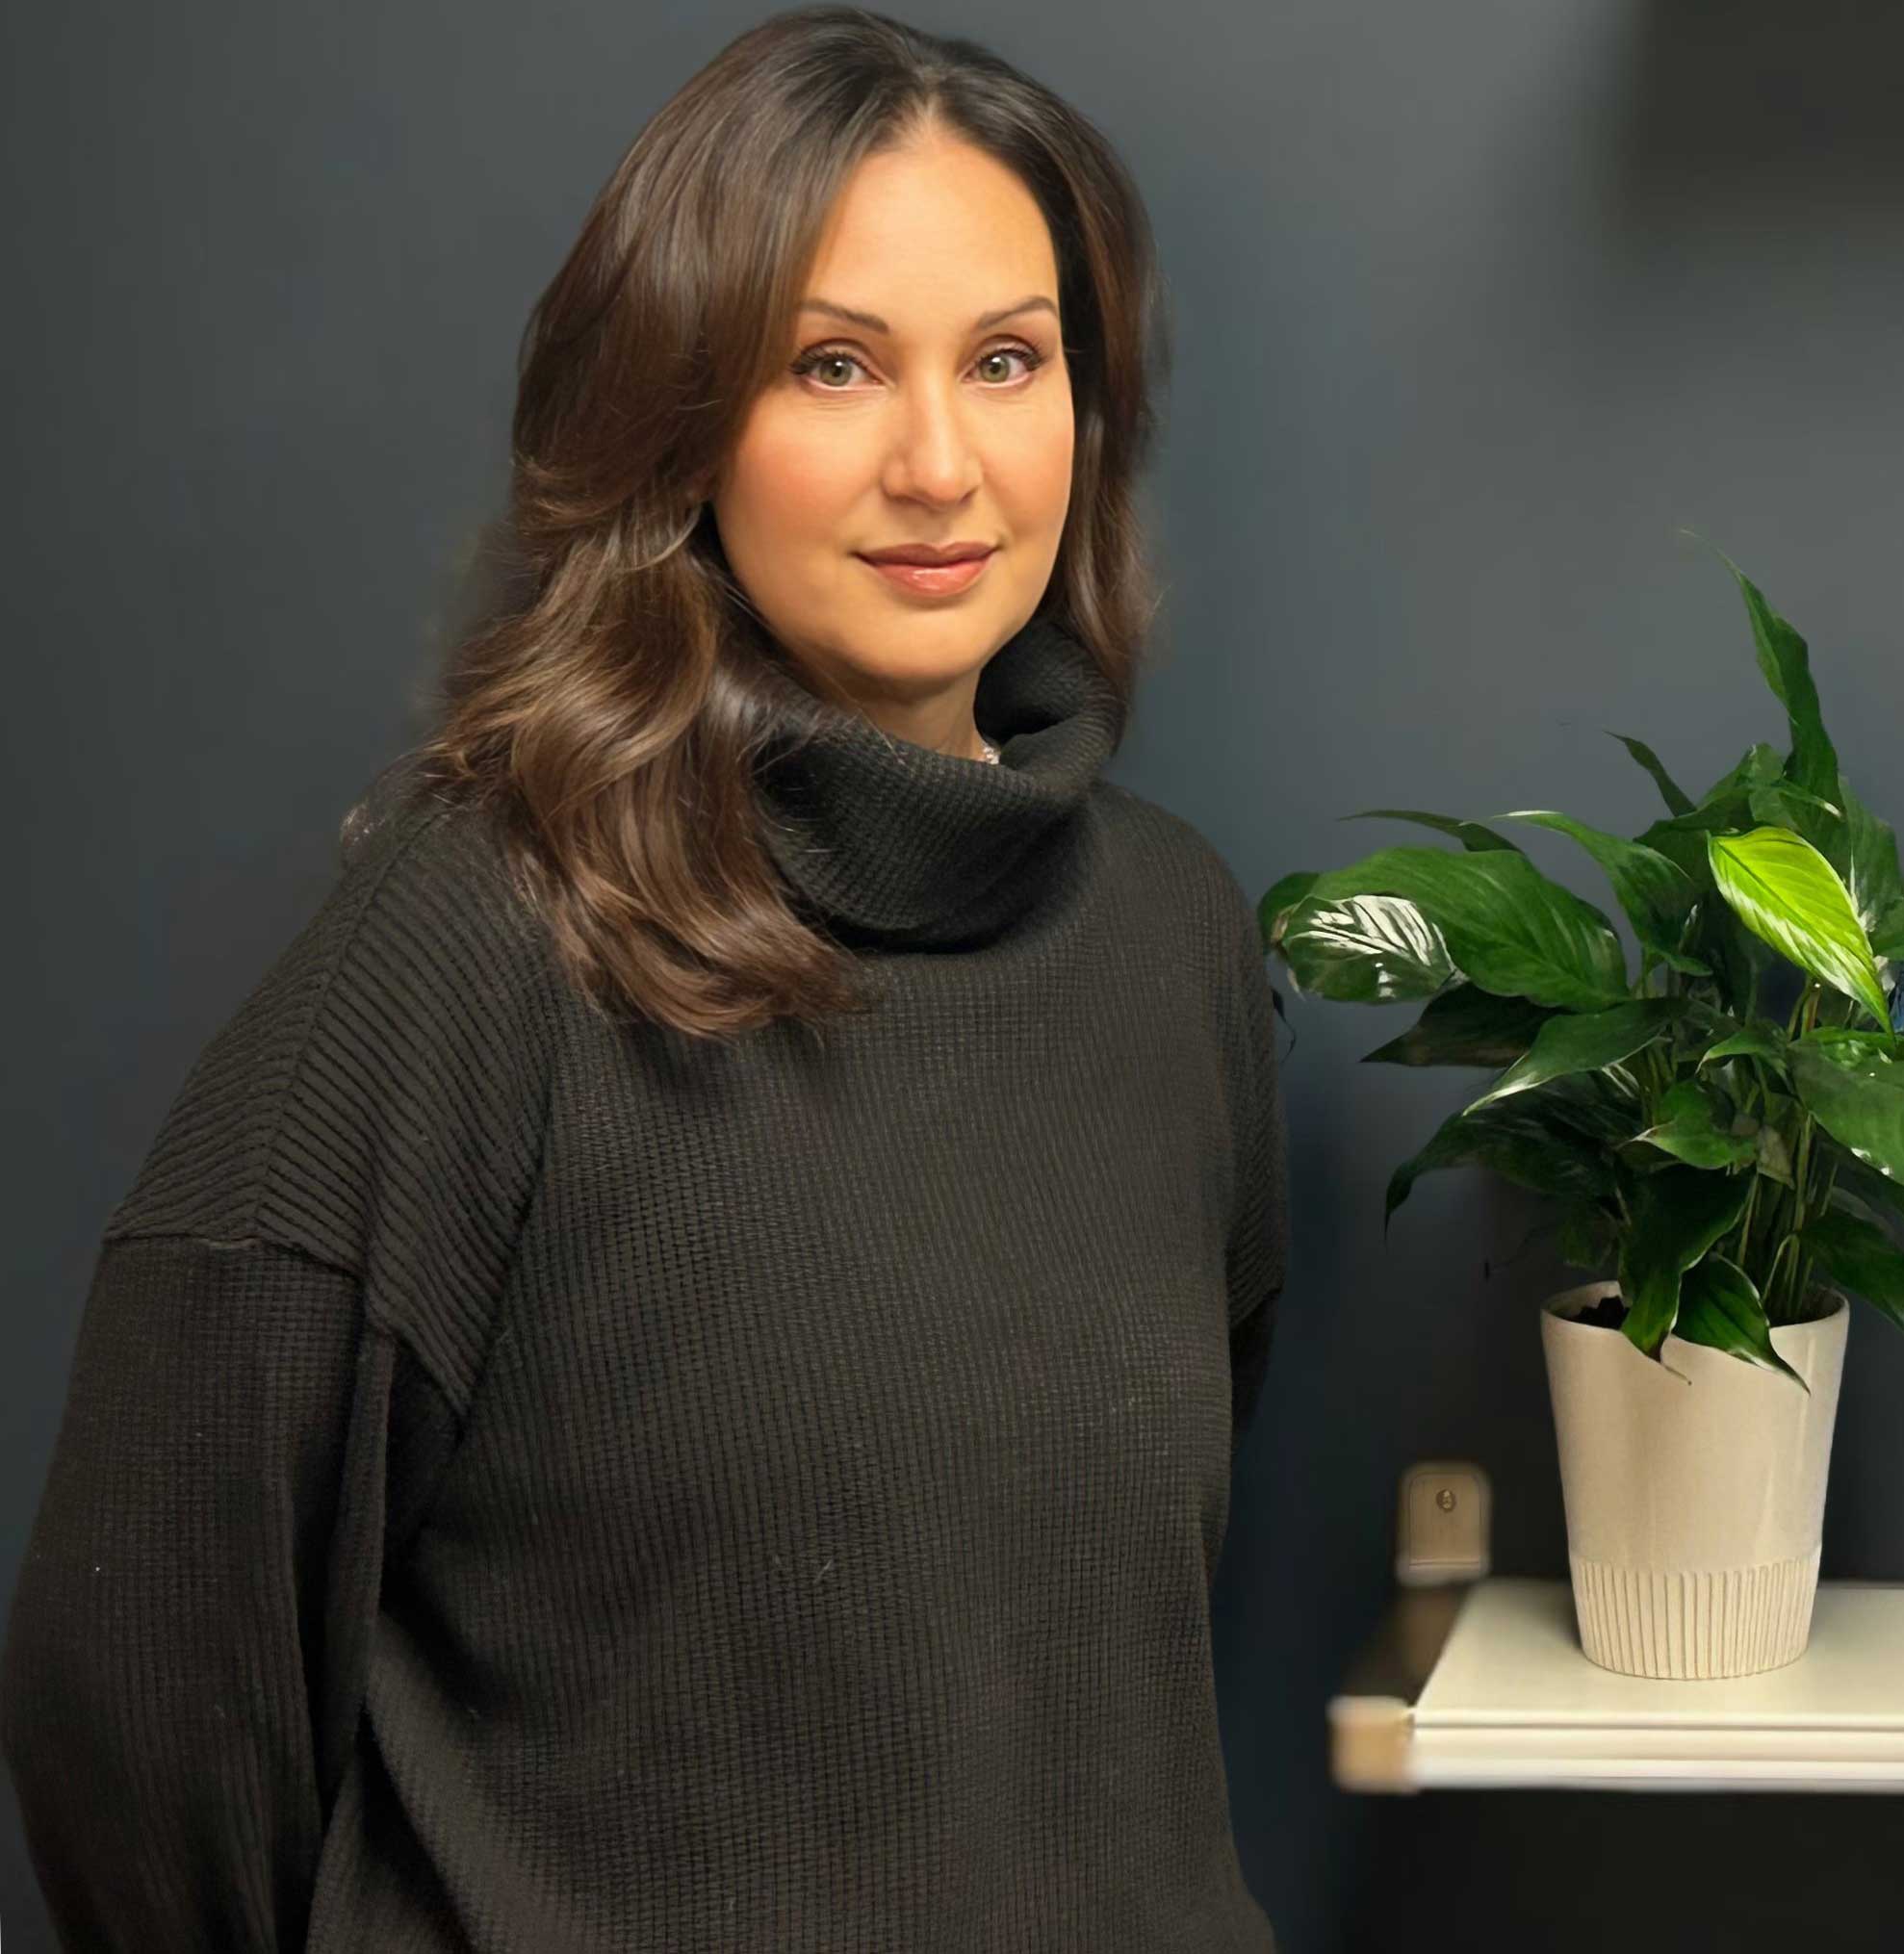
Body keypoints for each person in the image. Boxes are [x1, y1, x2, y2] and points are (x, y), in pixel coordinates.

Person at [1, 9, 1284, 1946]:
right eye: (831, 365)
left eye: (1007, 361)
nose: (940, 462)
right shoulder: (485, 936)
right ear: (684, 416)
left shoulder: (1176, 945)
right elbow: (144, 1675)